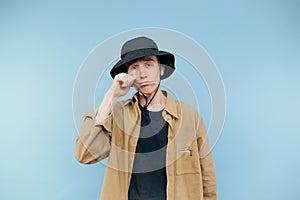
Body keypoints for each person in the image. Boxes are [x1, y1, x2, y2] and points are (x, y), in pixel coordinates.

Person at [74, 36, 217, 200]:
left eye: (148, 64)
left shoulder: (190, 116)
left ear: (161, 69)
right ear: (127, 75)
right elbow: (84, 155)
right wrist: (111, 96)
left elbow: (207, 176)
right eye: (134, 68)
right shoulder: (117, 114)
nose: (142, 74)